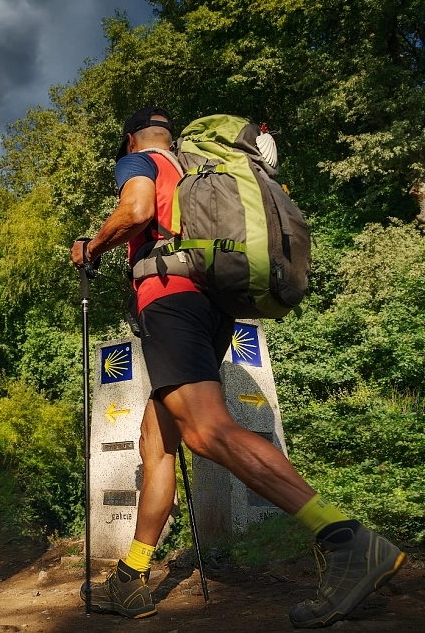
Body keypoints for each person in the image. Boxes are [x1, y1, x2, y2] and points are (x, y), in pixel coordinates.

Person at [69, 106, 406, 628]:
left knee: (206, 431)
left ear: (131, 138)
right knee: (156, 444)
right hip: (213, 305)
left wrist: (91, 246)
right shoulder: (197, 168)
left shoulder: (142, 161)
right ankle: (132, 577)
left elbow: (134, 213)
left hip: (170, 298)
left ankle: (347, 540)